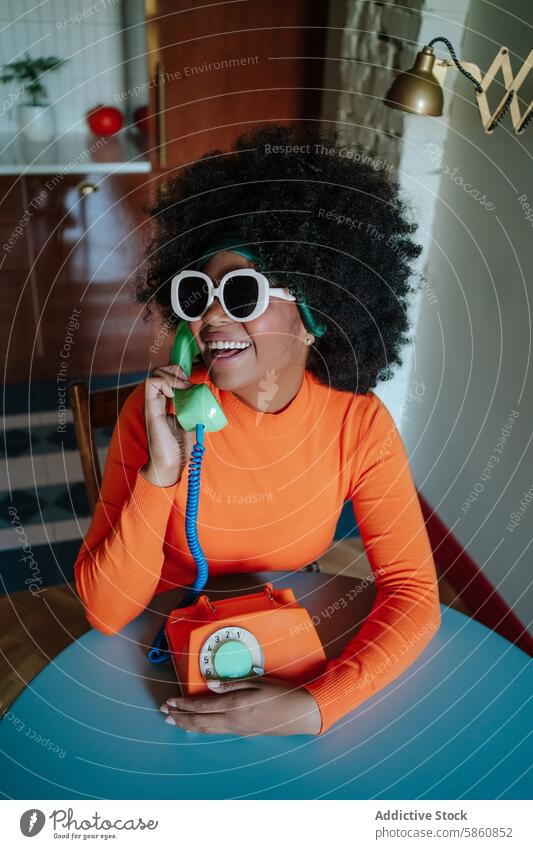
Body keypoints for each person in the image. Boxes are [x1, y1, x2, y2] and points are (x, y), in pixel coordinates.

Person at [74, 123, 441, 737]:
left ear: (316, 313)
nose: (212, 316)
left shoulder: (359, 424)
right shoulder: (161, 415)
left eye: (241, 293)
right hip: (155, 644)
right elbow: (107, 614)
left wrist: (314, 706)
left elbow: (413, 593)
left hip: (285, 629)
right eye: (198, 295)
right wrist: (162, 472)